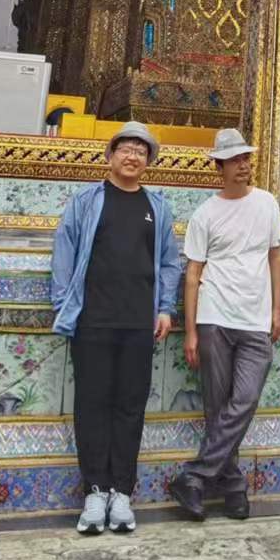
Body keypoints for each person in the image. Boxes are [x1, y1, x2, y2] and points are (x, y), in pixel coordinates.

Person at [50, 122, 182, 535]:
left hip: (139, 322)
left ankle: (122, 492)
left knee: (130, 406)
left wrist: (165, 308)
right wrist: (63, 304)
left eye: (140, 151)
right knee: (92, 405)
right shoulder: (87, 201)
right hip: (92, 319)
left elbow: (170, 261)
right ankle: (94, 491)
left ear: (148, 161)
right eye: (125, 149)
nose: (132, 156)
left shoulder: (157, 207)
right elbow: (65, 250)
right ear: (110, 156)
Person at [168, 129, 280, 521]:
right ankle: (233, 487)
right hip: (214, 315)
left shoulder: (267, 203)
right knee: (217, 408)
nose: (243, 165)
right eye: (234, 160)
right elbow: (192, 274)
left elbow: (275, 258)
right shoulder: (205, 213)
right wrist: (191, 331)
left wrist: (276, 309)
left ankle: (194, 476)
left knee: (245, 399)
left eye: (246, 158)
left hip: (255, 317)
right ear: (219, 167)